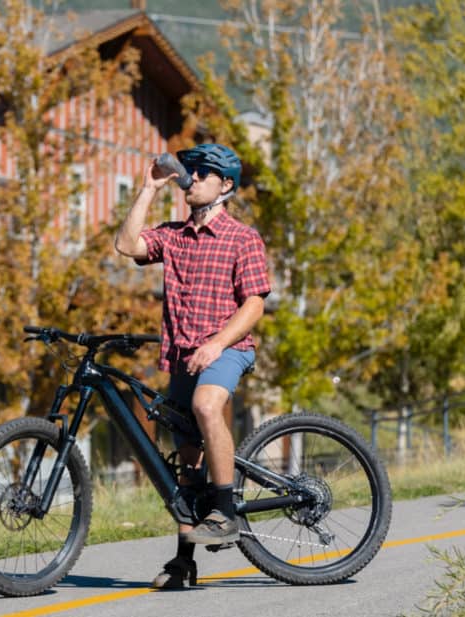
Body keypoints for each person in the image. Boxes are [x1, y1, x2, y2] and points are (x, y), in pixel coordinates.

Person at [114, 143, 271, 589]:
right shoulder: (175, 235)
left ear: (225, 186)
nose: (193, 178)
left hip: (229, 349)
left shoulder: (243, 238)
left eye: (203, 173)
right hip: (181, 356)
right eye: (193, 171)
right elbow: (127, 245)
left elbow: (254, 304)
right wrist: (148, 188)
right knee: (186, 462)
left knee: (206, 406)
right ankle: (184, 563)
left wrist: (218, 344)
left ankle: (224, 513)